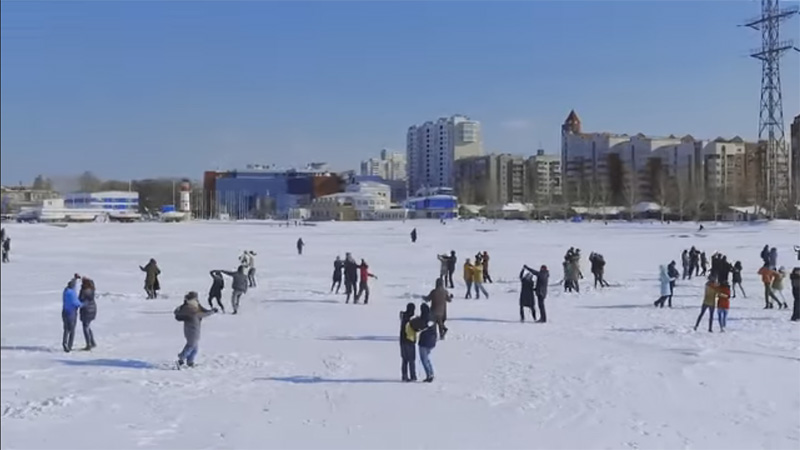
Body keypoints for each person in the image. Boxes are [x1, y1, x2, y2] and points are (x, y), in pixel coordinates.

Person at [174, 291, 217, 368]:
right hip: (191, 330)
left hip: (194, 329)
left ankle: (190, 362)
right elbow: (201, 314)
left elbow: (203, 311)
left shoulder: (193, 305)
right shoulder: (189, 308)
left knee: (195, 347)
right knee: (191, 345)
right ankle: (181, 359)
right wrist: (212, 312)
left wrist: (211, 311)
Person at [416, 304, 437, 383]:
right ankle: (431, 373)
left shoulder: (426, 318)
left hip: (425, 341)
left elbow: (423, 327)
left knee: (424, 359)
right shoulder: (431, 316)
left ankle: (429, 375)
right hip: (431, 341)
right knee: (427, 358)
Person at [62, 276, 82, 352]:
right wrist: (84, 304)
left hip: (64, 311)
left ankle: (64, 342)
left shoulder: (65, 291)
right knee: (72, 330)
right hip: (71, 313)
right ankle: (69, 346)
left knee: (66, 329)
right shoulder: (72, 294)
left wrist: (75, 279)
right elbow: (76, 303)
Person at [399, 303, 417, 382]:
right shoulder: (411, 319)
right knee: (412, 359)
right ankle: (413, 376)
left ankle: (404, 375)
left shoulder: (404, 317)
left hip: (402, 341)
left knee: (404, 359)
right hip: (410, 340)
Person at [79, 277, 97, 350]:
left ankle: (88, 344)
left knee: (85, 327)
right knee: (88, 326)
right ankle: (92, 342)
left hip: (86, 310)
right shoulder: (92, 289)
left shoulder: (84, 291)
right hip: (93, 309)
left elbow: (80, 299)